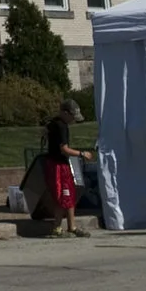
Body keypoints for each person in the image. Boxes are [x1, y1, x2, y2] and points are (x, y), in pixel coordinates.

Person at [41, 100, 91, 236]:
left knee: (69, 195)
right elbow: (64, 149)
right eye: (72, 116)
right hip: (58, 165)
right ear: (65, 113)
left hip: (56, 164)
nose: (73, 120)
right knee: (63, 195)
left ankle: (72, 226)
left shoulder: (53, 123)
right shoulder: (61, 126)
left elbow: (45, 134)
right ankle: (57, 228)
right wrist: (81, 154)